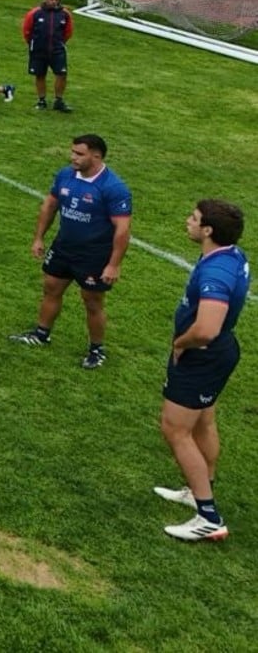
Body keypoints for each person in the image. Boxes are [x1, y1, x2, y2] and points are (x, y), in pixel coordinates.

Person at [155, 199, 249, 542]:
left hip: (202, 355)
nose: (188, 221)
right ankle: (199, 489)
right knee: (204, 421)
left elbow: (207, 328)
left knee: (175, 429)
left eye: (193, 218)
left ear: (208, 230)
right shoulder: (231, 255)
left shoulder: (216, 272)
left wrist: (181, 343)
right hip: (219, 353)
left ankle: (208, 517)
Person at [9, 133, 132, 369]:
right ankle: (41, 334)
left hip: (94, 255)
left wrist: (114, 264)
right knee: (51, 288)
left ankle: (97, 350)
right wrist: (38, 238)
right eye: (72, 152)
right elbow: (50, 205)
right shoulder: (66, 175)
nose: (72, 157)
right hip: (64, 247)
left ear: (96, 156)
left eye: (79, 153)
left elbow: (123, 230)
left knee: (92, 301)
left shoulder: (113, 187)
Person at [23, 0, 73, 112]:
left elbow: (68, 32)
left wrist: (60, 43)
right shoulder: (35, 13)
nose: (54, 2)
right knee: (40, 75)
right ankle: (41, 101)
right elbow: (27, 31)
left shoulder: (65, 14)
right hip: (39, 50)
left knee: (62, 74)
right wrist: (33, 44)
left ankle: (59, 100)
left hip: (57, 50)